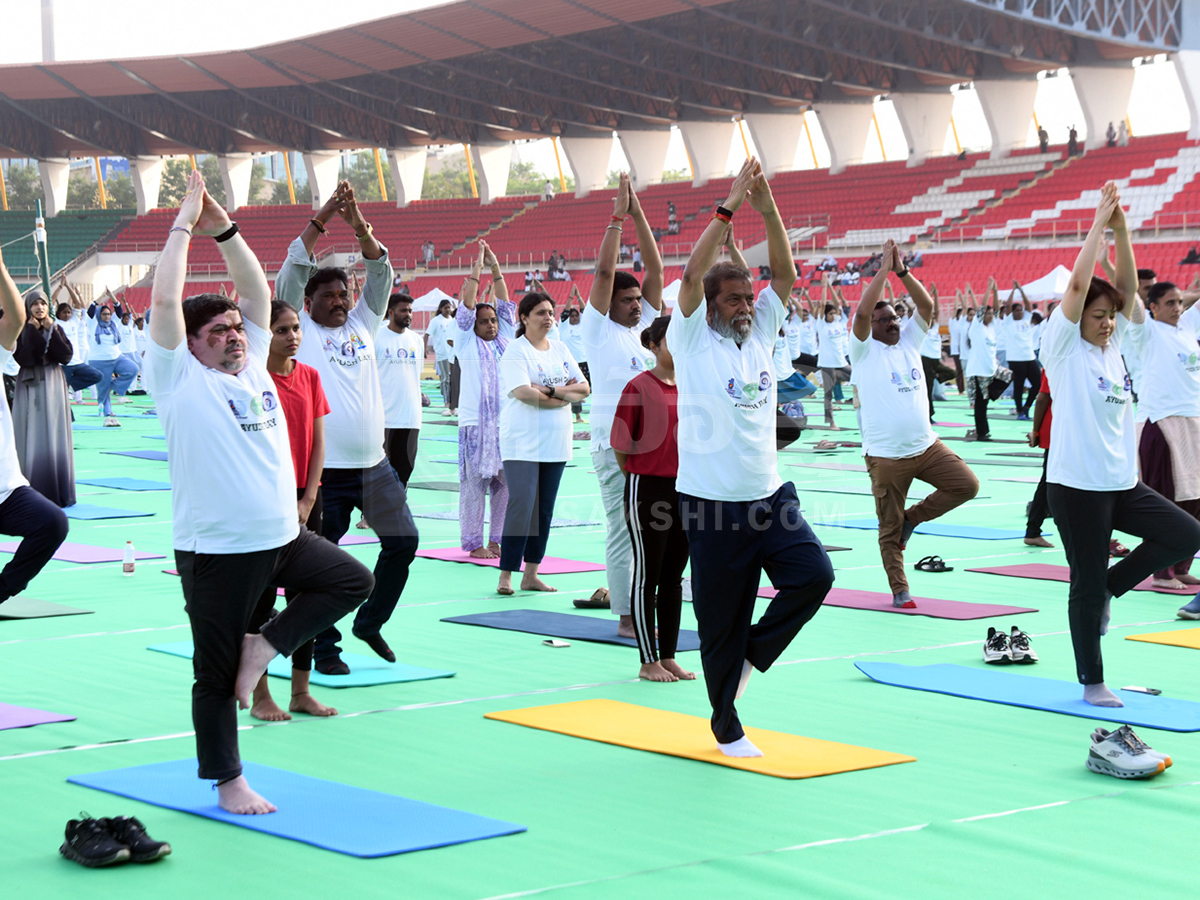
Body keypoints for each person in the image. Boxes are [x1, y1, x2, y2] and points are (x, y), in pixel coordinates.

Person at [145, 171, 374, 813]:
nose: (233, 335)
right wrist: (183, 227)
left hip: (282, 537)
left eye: (236, 328)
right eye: (216, 332)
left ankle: (265, 646)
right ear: (189, 348)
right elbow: (166, 306)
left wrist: (224, 226)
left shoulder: (255, 370)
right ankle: (228, 781)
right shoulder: (178, 381)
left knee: (351, 581)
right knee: (214, 675)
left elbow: (253, 288)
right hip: (218, 551)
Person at [671, 157, 834, 758]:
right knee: (721, 622)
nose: (746, 305)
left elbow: (786, 275)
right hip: (712, 506)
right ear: (711, 305)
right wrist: (729, 205)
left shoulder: (760, 332)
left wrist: (768, 208)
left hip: (769, 496)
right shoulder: (690, 339)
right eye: (734, 298)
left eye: (749, 297)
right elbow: (691, 276)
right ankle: (725, 720)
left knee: (815, 578)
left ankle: (751, 659)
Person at [1041, 181, 1200, 708]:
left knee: (1185, 534)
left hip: (1122, 483)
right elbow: (1078, 286)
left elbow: (1128, 290)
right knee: (1082, 585)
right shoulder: (1063, 349)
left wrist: (1123, 230)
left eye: (1111, 316)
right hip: (1078, 488)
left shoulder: (1117, 349)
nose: (1108, 323)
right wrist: (1095, 228)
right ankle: (1092, 682)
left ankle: (1112, 587)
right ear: (1077, 319)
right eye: (1098, 315)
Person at [276, 180, 420, 676]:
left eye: (345, 294)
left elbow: (381, 270)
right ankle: (323, 648)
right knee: (317, 566)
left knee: (403, 542)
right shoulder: (303, 331)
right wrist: (321, 219)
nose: (340, 301)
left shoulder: (364, 325)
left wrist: (358, 224)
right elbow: (292, 273)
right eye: (329, 295)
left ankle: (370, 621)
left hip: (374, 467)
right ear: (308, 304)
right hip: (324, 475)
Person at [851, 240, 980, 608]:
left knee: (967, 485)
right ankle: (900, 589)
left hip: (927, 447)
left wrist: (902, 271)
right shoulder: (862, 350)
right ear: (872, 326)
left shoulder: (909, 341)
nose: (892, 323)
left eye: (894, 317)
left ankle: (914, 519)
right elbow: (860, 316)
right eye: (884, 320)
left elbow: (926, 307)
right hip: (887, 459)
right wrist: (880, 272)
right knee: (888, 530)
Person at [245, 300, 338, 722]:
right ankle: (261, 693)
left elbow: (319, 442)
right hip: (265, 497)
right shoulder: (253, 381)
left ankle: (301, 689)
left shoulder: (311, 377)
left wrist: (308, 499)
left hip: (305, 496)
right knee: (260, 599)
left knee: (305, 597)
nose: (293, 336)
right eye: (281, 330)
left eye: (296, 328)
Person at [582, 173, 664, 637]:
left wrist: (638, 214)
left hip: (651, 445)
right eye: (628, 300)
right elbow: (604, 273)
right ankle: (627, 617)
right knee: (622, 530)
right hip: (612, 446)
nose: (637, 305)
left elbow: (655, 270)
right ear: (608, 304)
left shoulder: (641, 331)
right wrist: (616, 217)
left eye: (639, 301)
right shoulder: (598, 329)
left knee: (651, 531)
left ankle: (642, 602)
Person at [611, 315, 694, 683]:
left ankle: (670, 655)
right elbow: (620, 445)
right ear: (654, 346)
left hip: (687, 489)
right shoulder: (638, 386)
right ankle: (648, 660)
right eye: (671, 339)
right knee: (649, 574)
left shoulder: (693, 386)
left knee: (674, 578)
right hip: (647, 487)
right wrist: (640, 477)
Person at [497, 292, 590, 595]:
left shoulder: (560, 348)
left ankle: (531, 574)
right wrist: (561, 397)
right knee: (521, 506)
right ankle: (506, 574)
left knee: (544, 511)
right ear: (524, 318)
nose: (548, 318)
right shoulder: (516, 350)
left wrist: (549, 390)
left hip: (556, 441)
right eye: (540, 312)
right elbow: (523, 393)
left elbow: (585, 388)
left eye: (550, 312)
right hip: (522, 442)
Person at [1130, 280, 1200, 590]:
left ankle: (1181, 565)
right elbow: (1131, 297)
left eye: (1179, 302)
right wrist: (1108, 264)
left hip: (1193, 419)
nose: (1176, 308)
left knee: (1196, 497)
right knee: (1166, 499)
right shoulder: (1146, 331)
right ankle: (1160, 572)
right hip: (1161, 422)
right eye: (1169, 303)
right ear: (1153, 307)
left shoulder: (1185, 326)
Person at [456, 240, 515, 559]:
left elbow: (505, 305)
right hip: (475, 426)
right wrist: (478, 268)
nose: (491, 324)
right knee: (475, 488)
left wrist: (496, 267)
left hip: (505, 426)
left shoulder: (506, 340)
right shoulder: (466, 342)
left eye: (493, 320)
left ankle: (497, 541)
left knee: (504, 489)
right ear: (473, 325)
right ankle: (474, 543)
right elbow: (467, 307)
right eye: (484, 321)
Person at [13, 290, 75, 508]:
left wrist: (50, 330)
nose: (39, 308)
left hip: (53, 383)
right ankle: (30, 489)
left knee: (54, 432)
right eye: (34, 304)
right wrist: (31, 330)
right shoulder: (22, 329)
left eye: (43, 304)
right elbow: (25, 358)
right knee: (32, 432)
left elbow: (66, 356)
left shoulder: (56, 327)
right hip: (30, 384)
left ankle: (56, 489)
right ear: (28, 308)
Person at [375, 293, 424, 487]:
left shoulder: (416, 340)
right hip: (383, 418)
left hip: (410, 418)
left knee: (404, 471)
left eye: (410, 311)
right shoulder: (376, 337)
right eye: (403, 310)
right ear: (390, 312)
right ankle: (371, 516)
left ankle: (395, 515)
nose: (408, 315)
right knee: (379, 472)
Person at [964, 280, 1010, 440]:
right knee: (981, 404)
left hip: (992, 369)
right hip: (978, 371)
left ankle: (991, 395)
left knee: (1009, 375)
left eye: (992, 314)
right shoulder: (977, 326)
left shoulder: (992, 327)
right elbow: (982, 307)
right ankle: (982, 432)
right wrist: (989, 288)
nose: (990, 315)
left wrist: (996, 292)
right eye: (987, 314)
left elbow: (996, 309)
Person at [86, 296, 138, 426]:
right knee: (103, 391)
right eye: (104, 314)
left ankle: (112, 387)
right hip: (99, 361)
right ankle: (108, 413)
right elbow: (91, 311)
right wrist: (99, 299)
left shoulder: (113, 324)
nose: (107, 316)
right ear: (99, 315)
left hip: (117, 357)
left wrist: (112, 297)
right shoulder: (93, 323)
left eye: (109, 314)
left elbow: (119, 310)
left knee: (133, 369)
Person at [52, 280, 101, 398]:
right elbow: (51, 301)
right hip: (63, 364)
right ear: (58, 314)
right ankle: (67, 399)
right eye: (64, 313)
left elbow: (77, 304)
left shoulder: (74, 321)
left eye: (69, 312)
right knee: (61, 396)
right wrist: (60, 287)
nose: (68, 314)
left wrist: (68, 286)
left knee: (97, 375)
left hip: (77, 361)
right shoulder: (55, 322)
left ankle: (71, 385)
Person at [814, 276, 851, 429]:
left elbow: (836, 303)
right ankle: (831, 421)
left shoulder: (837, 322)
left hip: (841, 362)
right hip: (827, 363)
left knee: (857, 375)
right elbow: (823, 304)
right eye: (831, 314)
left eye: (835, 313)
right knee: (828, 394)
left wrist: (830, 284)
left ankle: (857, 400)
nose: (833, 315)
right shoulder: (821, 324)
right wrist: (823, 287)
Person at [1024, 369, 1055, 548]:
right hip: (1060, 432)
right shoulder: (1054, 365)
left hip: (1062, 431)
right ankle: (1033, 530)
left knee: (1048, 482)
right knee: (1048, 482)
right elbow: (1042, 399)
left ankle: (1033, 530)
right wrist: (1036, 431)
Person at [1003, 281, 1041, 420]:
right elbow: (1007, 306)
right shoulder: (1009, 322)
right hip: (1015, 359)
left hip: (1029, 357)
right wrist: (1013, 291)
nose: (1019, 312)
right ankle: (1019, 411)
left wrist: (1021, 290)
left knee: (1037, 384)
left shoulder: (1026, 319)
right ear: (1012, 312)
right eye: (1016, 310)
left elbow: (1028, 304)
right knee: (1018, 387)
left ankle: (1026, 407)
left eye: (1020, 310)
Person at [560, 286, 588, 423]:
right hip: (572, 362)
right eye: (572, 316)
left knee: (589, 389)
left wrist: (579, 297)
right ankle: (577, 416)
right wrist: (571, 297)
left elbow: (585, 311)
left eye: (576, 315)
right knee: (575, 389)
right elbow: (565, 313)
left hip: (586, 361)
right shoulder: (564, 327)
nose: (575, 317)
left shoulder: (583, 325)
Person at [426, 299, 457, 414]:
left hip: (452, 355)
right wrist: (425, 348)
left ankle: (454, 405)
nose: (448, 310)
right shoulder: (436, 321)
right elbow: (427, 334)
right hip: (442, 354)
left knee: (454, 380)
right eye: (446, 308)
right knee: (445, 379)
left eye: (449, 307)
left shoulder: (453, 321)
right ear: (441, 308)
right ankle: (446, 404)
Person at [948, 294, 969, 394]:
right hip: (956, 349)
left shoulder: (963, 323)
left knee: (967, 369)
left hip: (964, 349)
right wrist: (958, 296)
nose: (962, 315)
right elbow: (955, 308)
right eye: (960, 314)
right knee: (959, 370)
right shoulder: (952, 322)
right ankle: (961, 390)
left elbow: (965, 307)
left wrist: (964, 296)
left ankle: (969, 388)